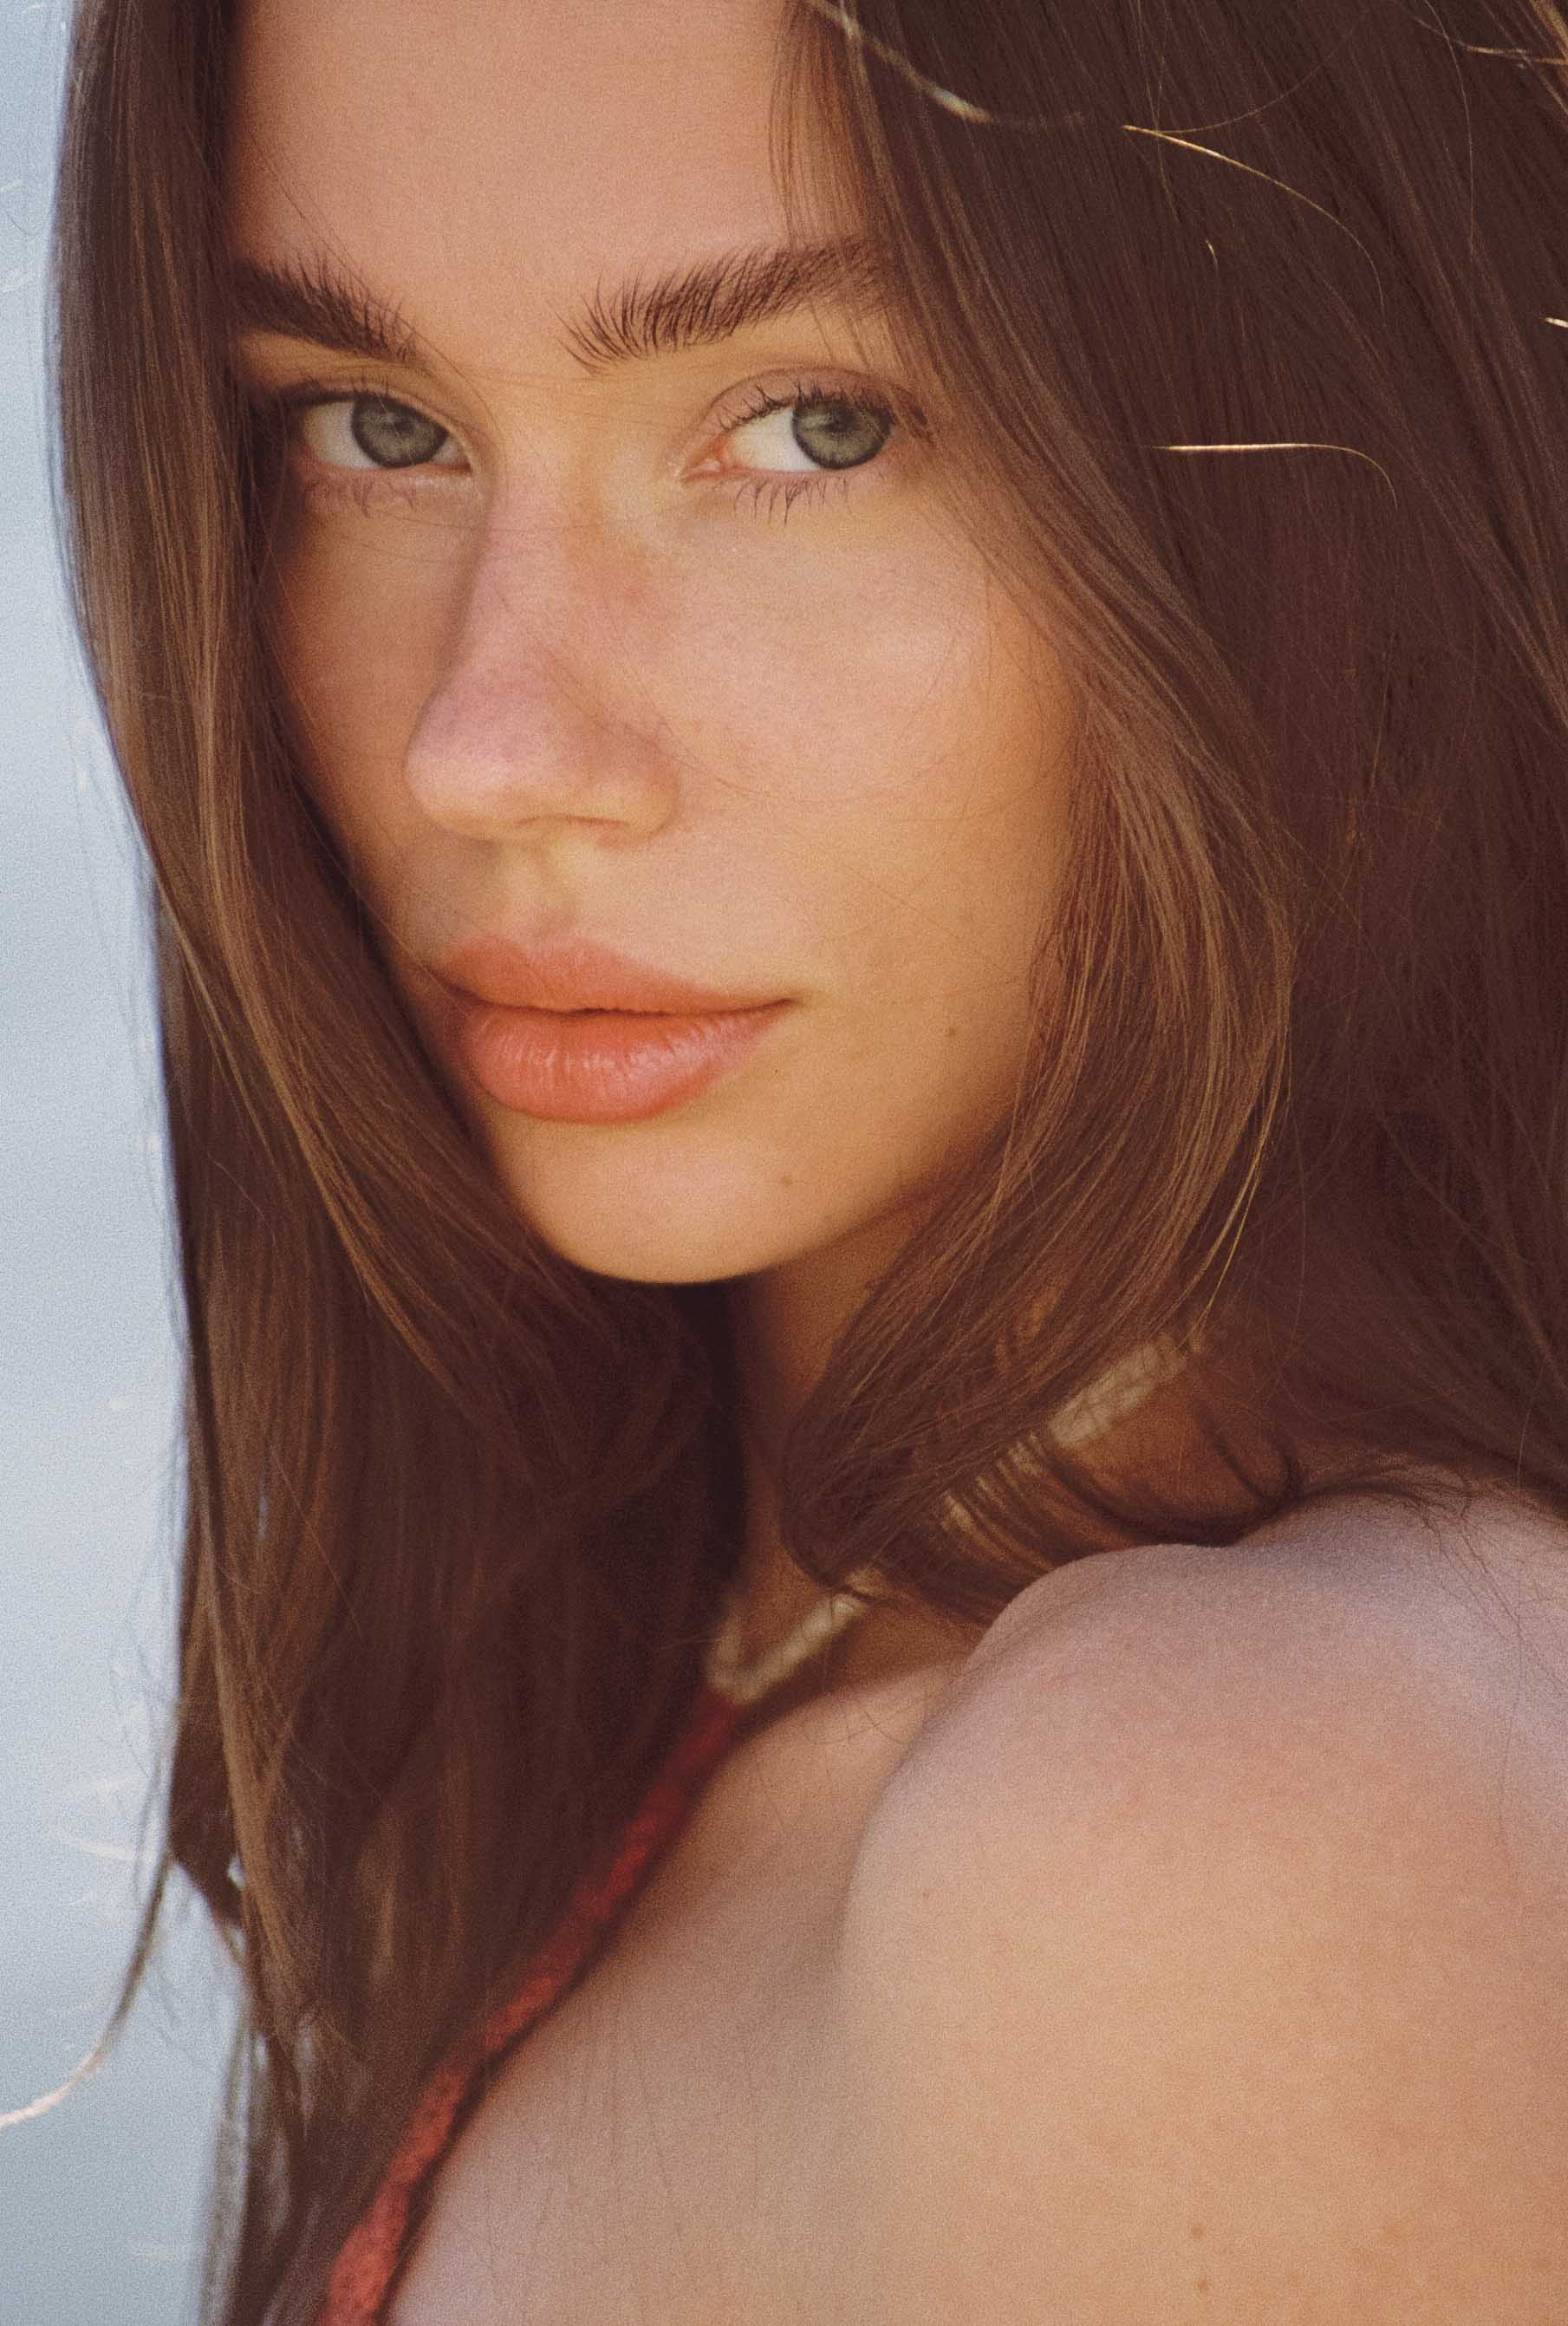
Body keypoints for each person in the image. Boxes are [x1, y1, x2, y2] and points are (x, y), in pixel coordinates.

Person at [37, 0, 1568, 2316]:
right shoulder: (757, 1679)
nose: (489, 747)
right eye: (377, 428)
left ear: (1352, 458)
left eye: (814, 425)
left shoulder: (1222, 1839)